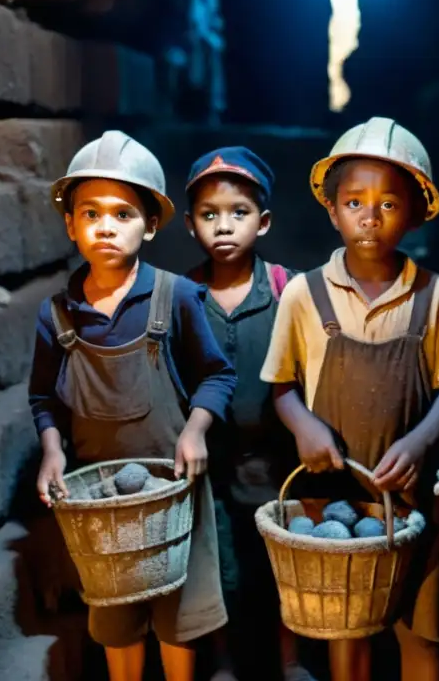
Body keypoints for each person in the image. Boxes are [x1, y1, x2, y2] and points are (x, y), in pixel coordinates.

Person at [260, 117, 439, 681]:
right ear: (331, 210)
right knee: (346, 626)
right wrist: (304, 427)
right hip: (335, 491)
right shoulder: (304, 294)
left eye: (389, 204)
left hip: (411, 489)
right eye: (354, 202)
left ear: (418, 213)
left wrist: (420, 443)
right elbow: (281, 388)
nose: (369, 217)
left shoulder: (437, 296)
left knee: (420, 629)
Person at [28, 131, 236, 681]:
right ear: (70, 223)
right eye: (90, 212)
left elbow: (218, 374)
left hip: (173, 487)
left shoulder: (179, 298)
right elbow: (44, 397)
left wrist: (195, 430)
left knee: (178, 616)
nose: (105, 226)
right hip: (100, 500)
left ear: (151, 223)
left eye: (123, 213)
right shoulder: (56, 316)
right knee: (116, 614)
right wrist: (52, 451)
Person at [182, 146, 309, 681]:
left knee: (287, 567)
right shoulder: (183, 296)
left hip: (276, 461)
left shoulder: (289, 290)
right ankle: (223, 664)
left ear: (265, 221)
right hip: (211, 464)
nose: (224, 227)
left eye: (239, 212)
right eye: (209, 215)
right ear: (190, 226)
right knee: (216, 569)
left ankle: (291, 659)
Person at [161, 0, 226, 126]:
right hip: (179, 42)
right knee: (171, 59)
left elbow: (214, 19)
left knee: (213, 52)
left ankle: (213, 110)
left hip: (203, 42)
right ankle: (170, 111)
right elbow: (169, 20)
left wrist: (211, 34)